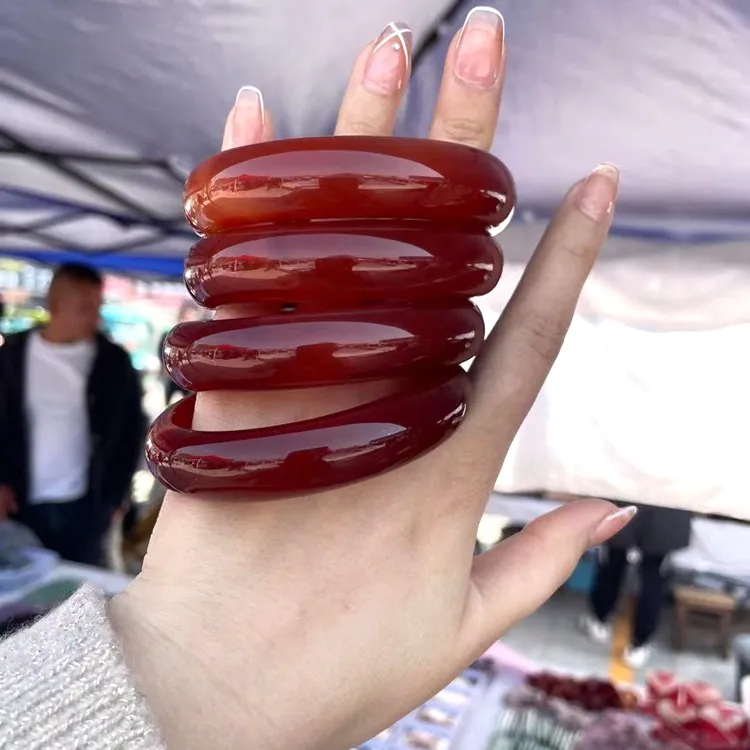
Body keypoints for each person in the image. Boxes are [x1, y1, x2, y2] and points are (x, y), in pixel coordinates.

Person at [0, 10, 632, 748]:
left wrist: (188, 681)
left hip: (92, 506)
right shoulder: (13, 352)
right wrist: (183, 681)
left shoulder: (108, 360)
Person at [0, 262, 146, 567]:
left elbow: (131, 431)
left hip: (87, 505)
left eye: (97, 306)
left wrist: (118, 495)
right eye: (84, 307)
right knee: (26, 600)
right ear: (56, 306)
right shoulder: (11, 357)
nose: (95, 317)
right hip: (20, 502)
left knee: (80, 593)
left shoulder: (114, 363)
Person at [581, 502, 692, 668]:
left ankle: (600, 620)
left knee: (613, 563)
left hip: (628, 500)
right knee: (653, 576)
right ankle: (639, 644)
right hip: (668, 508)